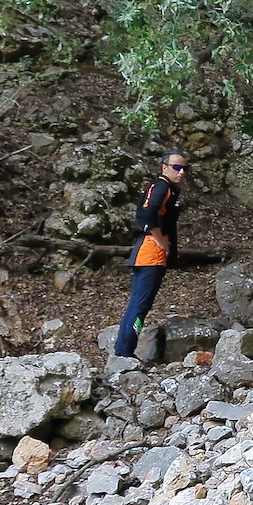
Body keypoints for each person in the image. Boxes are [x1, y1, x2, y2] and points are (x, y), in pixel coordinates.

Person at [113, 152, 187, 362]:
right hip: (151, 255)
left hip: (144, 252)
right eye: (176, 167)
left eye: (184, 169)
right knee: (141, 306)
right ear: (164, 168)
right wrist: (160, 240)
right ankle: (126, 352)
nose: (181, 172)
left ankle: (122, 350)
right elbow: (147, 213)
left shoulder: (161, 187)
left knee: (136, 303)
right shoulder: (162, 187)